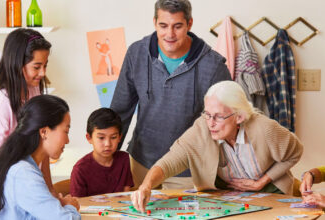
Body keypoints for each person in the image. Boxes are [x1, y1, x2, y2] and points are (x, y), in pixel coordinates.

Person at [110, 0, 231, 190]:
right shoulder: (136, 54)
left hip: (188, 171)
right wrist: (109, 160)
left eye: (178, 26)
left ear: (189, 24)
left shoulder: (214, 66)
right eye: (163, 26)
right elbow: (120, 111)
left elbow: (230, 122)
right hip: (141, 165)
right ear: (155, 22)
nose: (170, 34)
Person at [131, 81, 303, 212]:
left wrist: (262, 181)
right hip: (228, 197)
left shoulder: (265, 129)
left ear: (239, 117)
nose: (211, 123)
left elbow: (295, 153)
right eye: (207, 114)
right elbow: (170, 161)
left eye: (219, 117)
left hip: (271, 192)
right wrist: (146, 186)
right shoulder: (202, 127)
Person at [0, 95, 80, 219]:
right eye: (66, 131)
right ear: (44, 132)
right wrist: (71, 207)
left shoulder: (20, 167)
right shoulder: (23, 173)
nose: (68, 140)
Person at [0, 28, 55, 194]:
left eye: (45, 65)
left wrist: (50, 189)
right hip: (10, 189)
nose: (43, 73)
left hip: (31, 185)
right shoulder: (1, 102)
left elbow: (44, 147)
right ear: (17, 64)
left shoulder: (34, 91)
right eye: (37, 67)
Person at [70, 108, 134, 197]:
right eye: (101, 138)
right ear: (89, 138)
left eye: (113, 137)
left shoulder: (124, 159)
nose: (107, 144)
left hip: (120, 210)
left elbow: (126, 196)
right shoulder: (80, 169)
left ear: (119, 137)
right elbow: (78, 205)